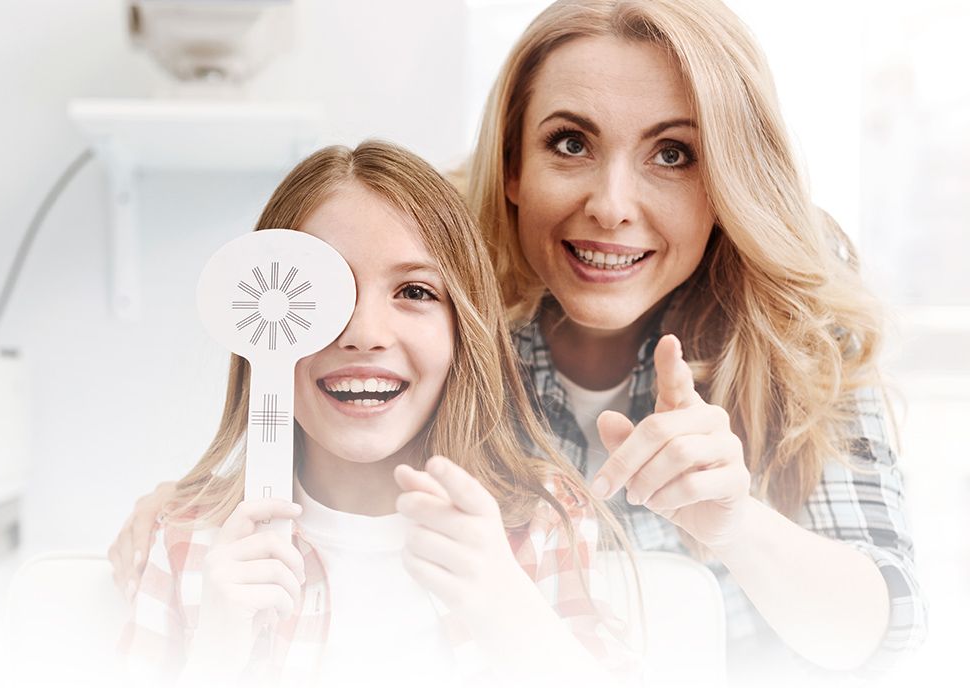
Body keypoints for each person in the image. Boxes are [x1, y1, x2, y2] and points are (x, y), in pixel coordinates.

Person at [112, 0, 925, 680]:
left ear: (729, 180)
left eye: (673, 154)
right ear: (510, 164)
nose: (611, 204)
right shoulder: (447, 327)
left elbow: (884, 637)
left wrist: (734, 522)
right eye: (570, 143)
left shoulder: (796, 341)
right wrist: (197, 509)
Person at [119, 141, 637, 687]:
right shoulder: (183, 541)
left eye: (414, 291)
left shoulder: (541, 525)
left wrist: (511, 615)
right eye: (322, 291)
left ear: (463, 328)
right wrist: (214, 659)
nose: (364, 334)